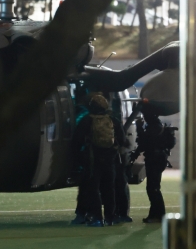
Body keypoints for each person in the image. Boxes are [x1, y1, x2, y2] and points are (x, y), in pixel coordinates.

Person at [71, 94, 125, 227]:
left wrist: (76, 160)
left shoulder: (87, 120)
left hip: (93, 159)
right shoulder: (113, 120)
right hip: (110, 160)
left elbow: (76, 141)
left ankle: (96, 218)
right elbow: (122, 140)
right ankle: (110, 217)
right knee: (109, 189)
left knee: (93, 188)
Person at [132, 111, 176, 224]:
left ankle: (159, 215)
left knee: (153, 188)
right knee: (153, 187)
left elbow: (144, 142)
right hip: (159, 159)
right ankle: (154, 214)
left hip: (154, 159)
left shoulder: (152, 128)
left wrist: (139, 128)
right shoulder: (159, 126)